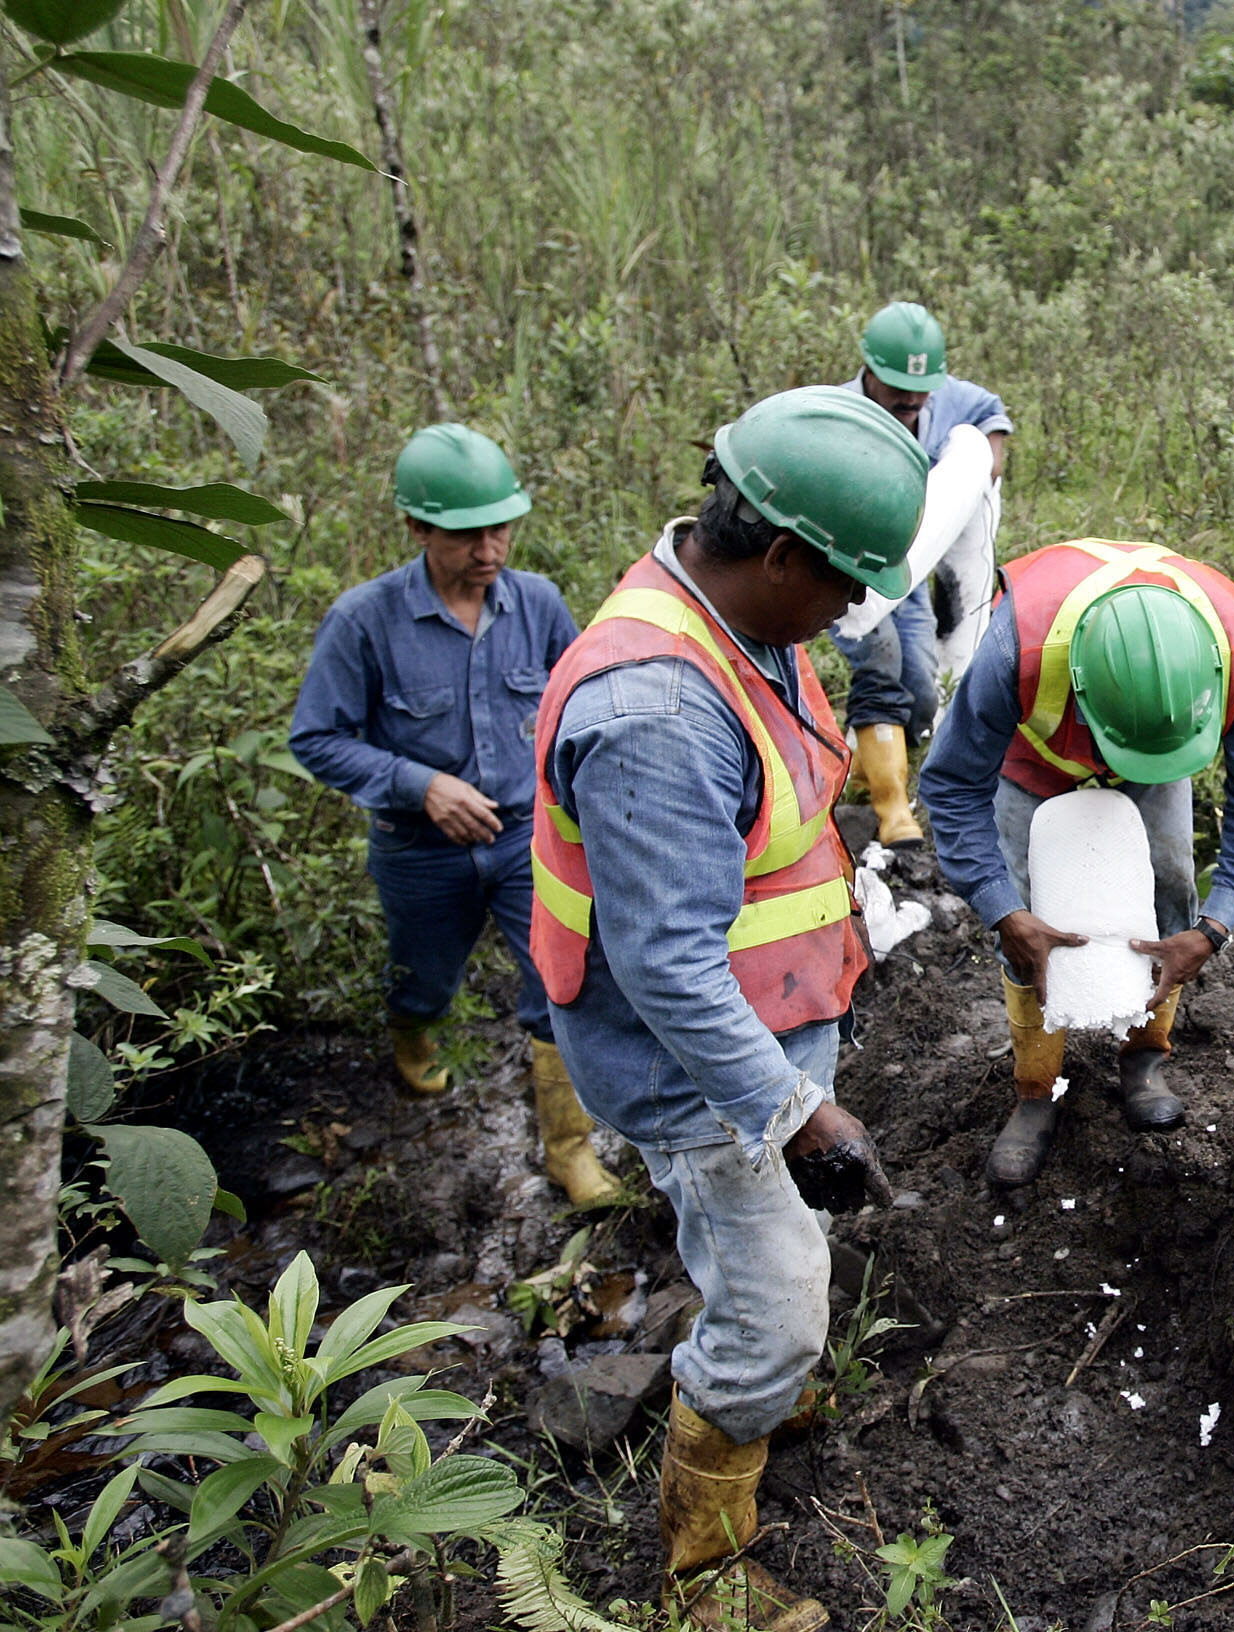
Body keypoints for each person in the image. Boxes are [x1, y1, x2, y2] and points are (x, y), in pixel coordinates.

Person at [531, 386, 923, 1630]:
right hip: (702, 1072)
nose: (852, 613)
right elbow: (670, 970)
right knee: (772, 1305)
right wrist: (799, 1108)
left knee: (768, 1264)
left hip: (758, 1029)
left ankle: (764, 1390)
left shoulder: (742, 621)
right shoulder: (656, 711)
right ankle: (703, 1577)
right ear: (780, 555)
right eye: (845, 586)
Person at [290, 423, 617, 1209]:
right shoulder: (364, 621)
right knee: (424, 976)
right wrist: (418, 784)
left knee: (558, 978)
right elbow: (316, 737)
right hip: (419, 851)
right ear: (416, 527)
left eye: (501, 528)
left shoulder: (536, 605)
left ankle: (571, 1153)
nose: (489, 549)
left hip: (522, 842)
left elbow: (580, 704)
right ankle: (413, 1028)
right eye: (467, 535)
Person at [918, 541, 1234, 1187]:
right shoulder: (1019, 650)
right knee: (1030, 920)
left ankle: (1144, 1055)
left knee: (1171, 894)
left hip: (1161, 761)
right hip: (1029, 764)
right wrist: (999, 907)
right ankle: (1035, 1089)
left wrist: (1216, 925)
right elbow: (953, 786)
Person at [832, 300, 1012, 848]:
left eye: (920, 391)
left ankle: (865, 770)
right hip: (845, 571)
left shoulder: (951, 399)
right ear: (868, 371)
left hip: (905, 570)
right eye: (896, 390)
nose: (910, 401)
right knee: (882, 664)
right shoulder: (837, 413)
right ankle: (892, 810)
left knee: (923, 690)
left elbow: (991, 424)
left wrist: (980, 465)